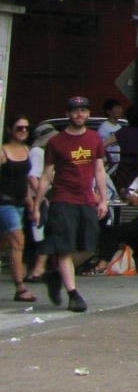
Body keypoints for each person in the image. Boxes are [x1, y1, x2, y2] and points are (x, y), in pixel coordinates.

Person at [36, 96, 110, 312]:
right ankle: (73, 294)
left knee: (89, 246)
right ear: (68, 114)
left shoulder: (94, 138)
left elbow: (99, 170)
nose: (80, 114)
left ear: (88, 114)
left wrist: (103, 199)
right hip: (62, 199)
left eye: (84, 110)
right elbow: (47, 174)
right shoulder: (56, 142)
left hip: (86, 199)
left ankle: (56, 276)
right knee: (64, 248)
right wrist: (37, 203)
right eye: (75, 111)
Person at [2, 113, 35, 300]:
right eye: (19, 128)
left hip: (20, 202)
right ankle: (20, 288)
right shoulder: (3, 152)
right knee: (18, 241)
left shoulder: (26, 150)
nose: (23, 131)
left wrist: (32, 202)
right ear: (10, 130)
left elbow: (26, 179)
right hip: (4, 202)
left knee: (7, 244)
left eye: (26, 128)